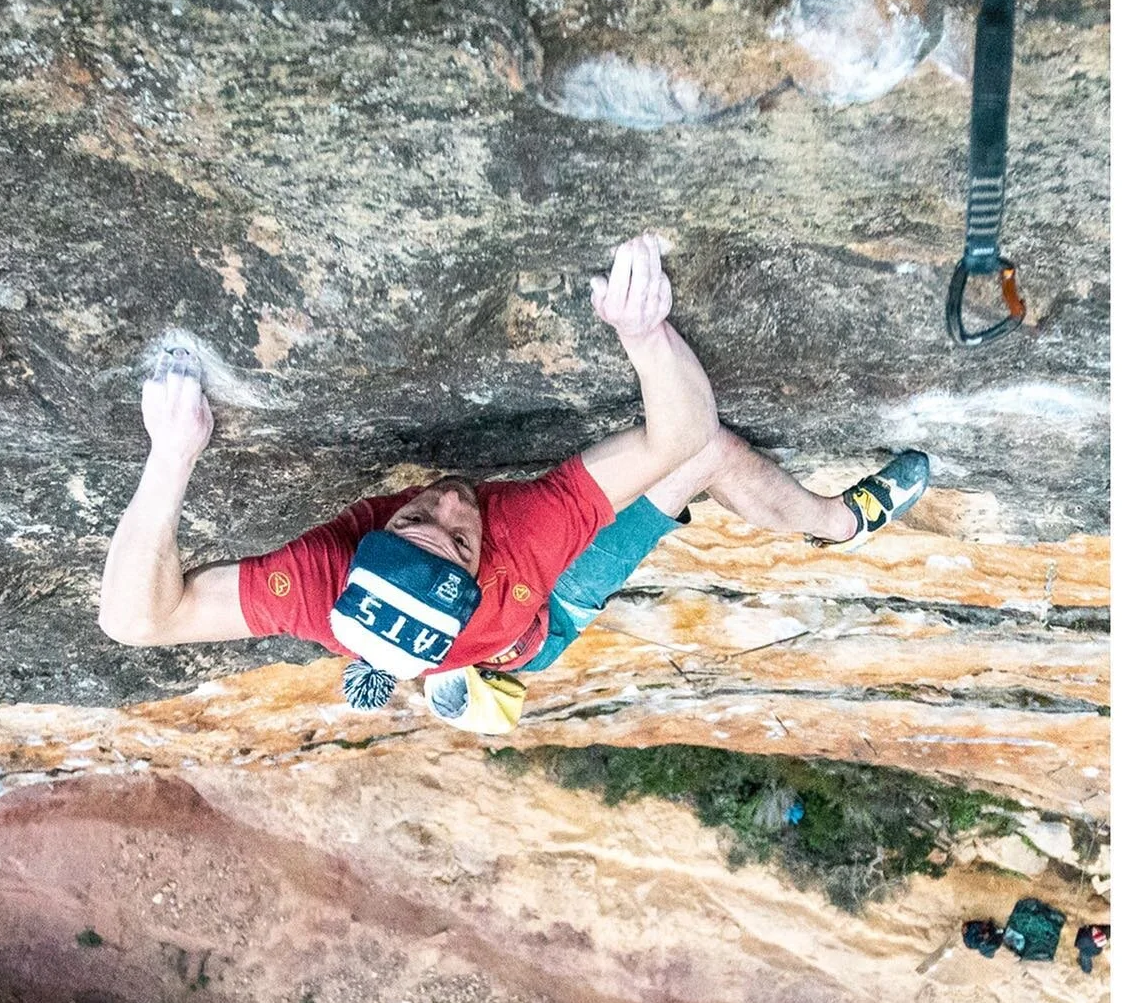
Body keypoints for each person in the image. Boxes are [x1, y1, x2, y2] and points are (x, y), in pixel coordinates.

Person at [99, 234, 931, 726]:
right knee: (709, 459)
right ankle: (839, 524)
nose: (456, 498)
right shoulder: (525, 543)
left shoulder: (316, 584)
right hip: (545, 613)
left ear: (366, 546)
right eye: (459, 536)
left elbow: (132, 619)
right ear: (475, 567)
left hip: (464, 635)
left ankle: (439, 678)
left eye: (418, 514)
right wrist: (644, 335)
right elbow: (683, 432)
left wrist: (169, 459)